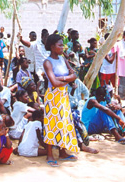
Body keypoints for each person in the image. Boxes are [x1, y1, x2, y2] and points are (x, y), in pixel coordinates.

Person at [43, 34, 79, 167]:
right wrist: (67, 78)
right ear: (52, 47)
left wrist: (63, 79)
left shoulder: (63, 59)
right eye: (59, 45)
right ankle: (50, 155)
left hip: (63, 95)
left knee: (63, 122)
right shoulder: (47, 62)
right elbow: (53, 82)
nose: (62, 47)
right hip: (53, 96)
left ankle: (63, 152)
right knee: (51, 124)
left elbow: (74, 75)